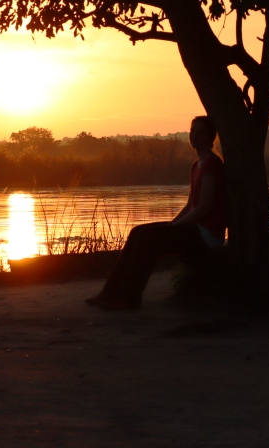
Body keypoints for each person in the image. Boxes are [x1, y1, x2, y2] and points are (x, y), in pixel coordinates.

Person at [86, 116, 226, 310]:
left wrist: (176, 227)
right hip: (194, 228)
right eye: (192, 130)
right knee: (138, 232)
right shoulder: (196, 165)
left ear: (210, 137)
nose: (194, 135)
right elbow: (190, 205)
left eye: (200, 132)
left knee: (147, 239)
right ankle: (110, 291)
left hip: (207, 234)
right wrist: (171, 224)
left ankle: (129, 298)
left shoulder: (212, 164)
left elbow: (204, 207)